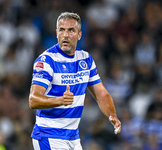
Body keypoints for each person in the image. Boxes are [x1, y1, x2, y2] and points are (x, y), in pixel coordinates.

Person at [28, 12, 121, 150]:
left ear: (79, 35)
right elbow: (33, 100)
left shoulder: (86, 59)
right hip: (49, 136)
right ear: (56, 33)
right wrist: (60, 100)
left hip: (73, 138)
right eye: (62, 30)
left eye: (71, 30)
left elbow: (101, 94)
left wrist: (112, 115)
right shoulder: (47, 61)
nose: (65, 35)